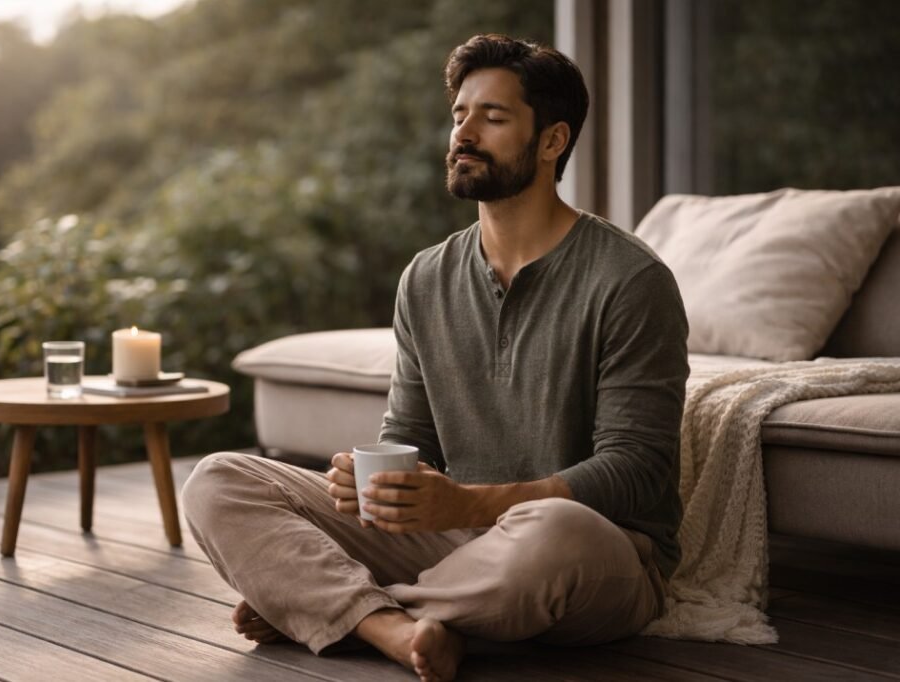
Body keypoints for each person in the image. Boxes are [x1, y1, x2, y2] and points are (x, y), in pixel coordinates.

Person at [182, 33, 688, 682]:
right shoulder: (425, 277)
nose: (464, 132)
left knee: (558, 531)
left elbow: (637, 468)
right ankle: (397, 629)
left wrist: (472, 507)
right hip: (454, 545)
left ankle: (333, 610)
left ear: (553, 141)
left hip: (596, 553)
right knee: (220, 479)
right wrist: (376, 489)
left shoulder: (629, 279)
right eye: (459, 115)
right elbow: (410, 436)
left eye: (494, 117)